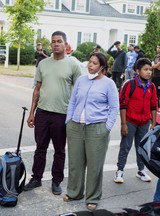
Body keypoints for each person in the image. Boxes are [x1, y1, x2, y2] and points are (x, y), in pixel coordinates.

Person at [24, 31, 82, 195]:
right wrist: (32, 112)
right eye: (53, 42)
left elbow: (79, 92)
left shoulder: (73, 65)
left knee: (59, 150)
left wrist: (75, 116)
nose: (56, 44)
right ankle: (36, 178)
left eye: (59, 41)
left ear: (66, 44)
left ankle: (56, 181)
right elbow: (37, 89)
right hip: (42, 112)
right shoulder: (43, 64)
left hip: (62, 114)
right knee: (40, 148)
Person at [64, 52, 119, 211]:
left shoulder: (109, 84)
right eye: (90, 62)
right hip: (75, 127)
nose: (90, 65)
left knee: (95, 166)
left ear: (102, 67)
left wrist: (106, 127)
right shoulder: (81, 80)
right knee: (75, 163)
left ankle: (93, 197)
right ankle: (74, 192)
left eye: (95, 63)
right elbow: (72, 101)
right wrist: (69, 121)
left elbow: (114, 108)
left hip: (97, 128)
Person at [114, 58, 157, 184]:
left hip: (144, 122)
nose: (149, 72)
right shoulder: (130, 84)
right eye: (145, 70)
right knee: (125, 147)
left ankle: (141, 170)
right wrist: (123, 124)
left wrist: (153, 123)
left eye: (150, 70)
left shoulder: (152, 86)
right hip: (130, 121)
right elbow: (123, 105)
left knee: (142, 148)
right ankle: (120, 171)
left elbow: (153, 105)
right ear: (138, 71)